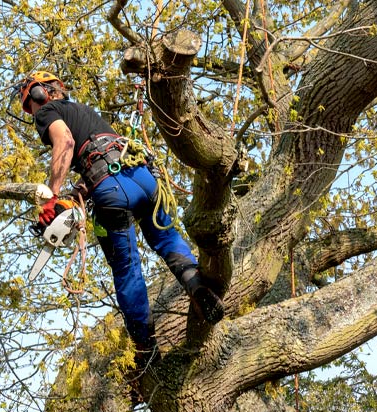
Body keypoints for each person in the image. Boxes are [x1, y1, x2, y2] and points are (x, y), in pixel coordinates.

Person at [20, 71, 225, 359]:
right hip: (143, 178)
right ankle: (196, 284)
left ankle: (144, 345)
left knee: (126, 267)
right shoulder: (85, 112)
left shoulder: (49, 112)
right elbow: (98, 154)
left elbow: (65, 143)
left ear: (41, 95)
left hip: (112, 191)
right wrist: (81, 189)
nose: (33, 113)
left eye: (31, 105)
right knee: (167, 238)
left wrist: (52, 197)